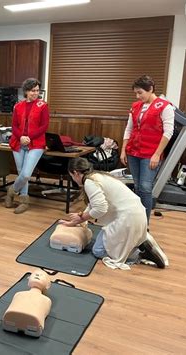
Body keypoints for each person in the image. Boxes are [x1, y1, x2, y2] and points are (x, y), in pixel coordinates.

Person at [60, 157, 169, 270]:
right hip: (135, 213)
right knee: (106, 243)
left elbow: (100, 209)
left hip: (127, 218)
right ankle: (140, 242)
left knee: (98, 251)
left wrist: (81, 217)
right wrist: (80, 218)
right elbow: (94, 204)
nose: (73, 179)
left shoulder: (90, 182)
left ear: (76, 173)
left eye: (72, 176)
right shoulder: (97, 176)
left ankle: (139, 252)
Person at [120, 75, 174, 223]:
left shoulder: (165, 106)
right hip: (133, 152)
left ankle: (144, 224)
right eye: (136, 93)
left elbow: (168, 132)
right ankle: (137, 221)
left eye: (140, 93)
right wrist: (124, 149)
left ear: (150, 89)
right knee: (137, 186)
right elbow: (129, 128)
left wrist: (157, 154)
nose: (138, 96)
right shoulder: (136, 106)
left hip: (150, 154)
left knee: (145, 188)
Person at [5, 78, 49, 214]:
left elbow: (44, 126)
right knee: (20, 173)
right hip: (18, 142)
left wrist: (29, 137)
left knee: (25, 175)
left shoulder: (43, 105)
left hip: (36, 144)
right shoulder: (17, 106)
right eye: (32, 90)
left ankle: (11, 191)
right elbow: (14, 125)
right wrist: (21, 137)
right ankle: (23, 201)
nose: (35, 93)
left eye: (37, 90)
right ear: (26, 91)